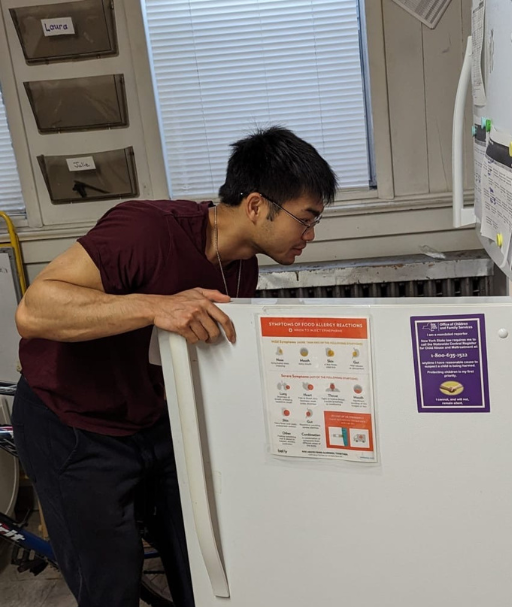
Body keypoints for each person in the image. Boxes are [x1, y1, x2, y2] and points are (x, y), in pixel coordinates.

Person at [12, 126, 337, 607]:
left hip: (150, 417)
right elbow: (34, 311)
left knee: (202, 561)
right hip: (73, 423)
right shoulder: (146, 230)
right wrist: (154, 307)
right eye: (305, 219)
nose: (310, 234)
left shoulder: (243, 265)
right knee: (110, 583)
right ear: (255, 205)